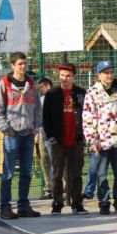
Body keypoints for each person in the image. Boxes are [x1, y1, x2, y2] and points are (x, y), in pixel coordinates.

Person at [0, 52, 43, 219]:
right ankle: (5, 208)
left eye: (25, 63)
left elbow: (37, 108)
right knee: (8, 173)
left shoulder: (31, 83)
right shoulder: (4, 83)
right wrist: (6, 129)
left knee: (26, 172)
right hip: (12, 135)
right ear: (12, 65)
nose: (23, 66)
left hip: (28, 134)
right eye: (20, 64)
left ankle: (23, 206)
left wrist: (36, 126)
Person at [83, 61, 117, 215]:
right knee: (101, 174)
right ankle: (103, 202)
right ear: (99, 75)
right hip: (101, 142)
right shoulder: (92, 93)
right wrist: (92, 140)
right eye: (106, 72)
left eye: (111, 72)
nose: (109, 75)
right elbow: (87, 118)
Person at [42, 63, 88, 215]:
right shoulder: (52, 94)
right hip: (58, 141)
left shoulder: (81, 93)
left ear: (73, 77)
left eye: (67, 76)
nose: (64, 78)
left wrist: (84, 136)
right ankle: (57, 203)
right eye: (62, 75)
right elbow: (46, 118)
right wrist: (51, 137)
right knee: (57, 174)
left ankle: (77, 203)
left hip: (76, 140)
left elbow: (87, 115)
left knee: (76, 174)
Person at [35, 77, 53, 200]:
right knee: (44, 161)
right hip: (42, 133)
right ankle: (48, 187)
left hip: (53, 134)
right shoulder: (41, 100)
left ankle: (60, 187)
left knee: (56, 161)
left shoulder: (56, 98)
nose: (40, 89)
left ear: (48, 86)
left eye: (42, 87)